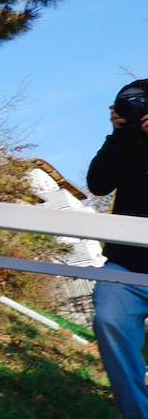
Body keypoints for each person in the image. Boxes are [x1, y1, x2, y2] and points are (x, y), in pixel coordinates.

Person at [88, 79, 148, 419]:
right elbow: (98, 184)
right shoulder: (127, 143)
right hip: (126, 265)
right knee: (108, 319)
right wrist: (120, 133)